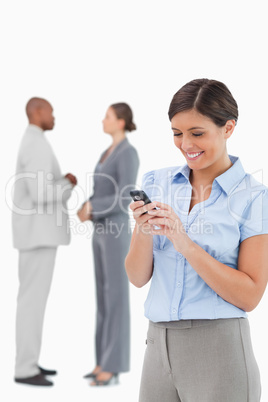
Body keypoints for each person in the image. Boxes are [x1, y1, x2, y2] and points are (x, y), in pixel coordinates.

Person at [125, 79, 268, 401]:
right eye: (177, 133)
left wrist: (182, 240)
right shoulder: (156, 181)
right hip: (157, 345)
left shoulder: (253, 198)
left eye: (197, 133)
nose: (185, 144)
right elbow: (136, 277)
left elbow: (250, 296)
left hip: (219, 346)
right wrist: (144, 229)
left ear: (228, 128)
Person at [12, 97, 77, 386]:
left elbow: (39, 187)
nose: (54, 117)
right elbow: (40, 194)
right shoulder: (36, 143)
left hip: (35, 234)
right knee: (31, 303)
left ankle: (29, 362)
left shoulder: (32, 141)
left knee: (32, 302)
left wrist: (60, 181)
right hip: (38, 235)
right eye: (50, 112)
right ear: (37, 112)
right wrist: (68, 183)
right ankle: (25, 368)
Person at [78, 102, 139, 386]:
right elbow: (99, 191)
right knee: (103, 298)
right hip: (100, 230)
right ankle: (102, 359)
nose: (103, 120)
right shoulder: (106, 152)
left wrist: (93, 206)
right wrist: (86, 206)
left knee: (115, 297)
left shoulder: (128, 153)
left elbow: (125, 196)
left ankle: (113, 367)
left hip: (115, 232)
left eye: (108, 117)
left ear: (121, 122)